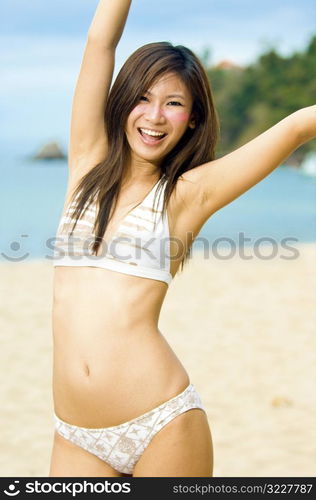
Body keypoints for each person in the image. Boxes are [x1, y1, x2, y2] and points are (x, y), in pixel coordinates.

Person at [49, 0, 315, 477]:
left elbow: (297, 126)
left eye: (173, 104)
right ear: (121, 100)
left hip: (161, 426)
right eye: (143, 98)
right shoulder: (86, 165)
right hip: (74, 436)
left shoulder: (188, 195)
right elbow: (100, 42)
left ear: (192, 118)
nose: (154, 116)